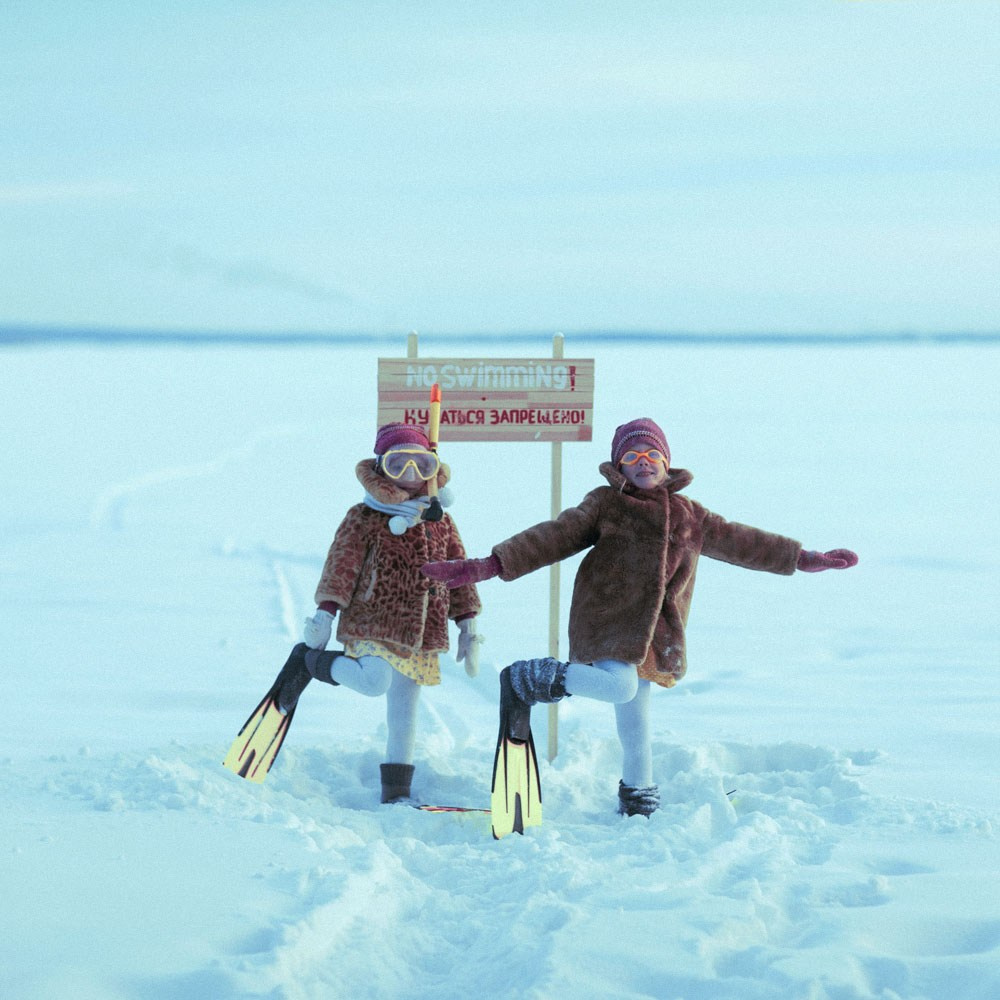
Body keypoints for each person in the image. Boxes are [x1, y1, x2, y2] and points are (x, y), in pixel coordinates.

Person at [422, 417, 857, 818]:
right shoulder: (605, 505)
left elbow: (743, 540)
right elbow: (553, 536)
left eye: (652, 456)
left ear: (666, 463)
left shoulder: (690, 514)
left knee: (636, 715)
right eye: (632, 457)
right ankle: (529, 679)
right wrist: (491, 564)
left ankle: (639, 793)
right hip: (606, 617)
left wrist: (801, 557)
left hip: (656, 629)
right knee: (619, 686)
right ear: (619, 466)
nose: (643, 463)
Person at [261, 422, 482, 803]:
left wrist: (468, 624)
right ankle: (313, 664)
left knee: (405, 708)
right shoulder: (364, 516)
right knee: (373, 681)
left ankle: (396, 789)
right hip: (373, 618)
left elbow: (458, 570)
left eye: (421, 466)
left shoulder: (440, 520)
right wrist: (325, 614)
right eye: (399, 465)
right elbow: (341, 567)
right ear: (381, 467)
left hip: (422, 630)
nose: (411, 476)